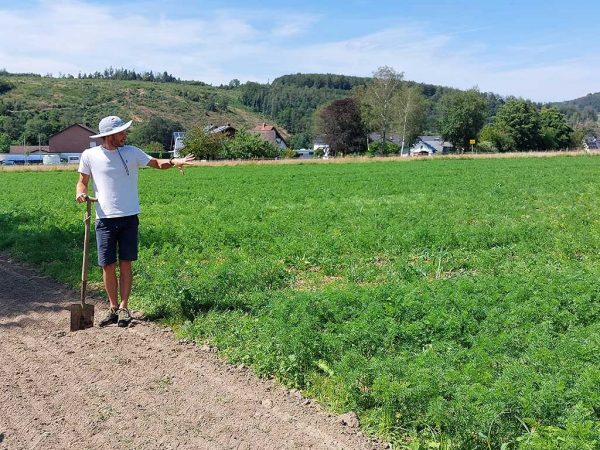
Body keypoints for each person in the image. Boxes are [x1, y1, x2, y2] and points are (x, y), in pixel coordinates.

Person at [75, 116, 195, 327]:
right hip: (104, 219)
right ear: (109, 135)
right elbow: (82, 182)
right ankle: (112, 308)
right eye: (121, 132)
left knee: (126, 263)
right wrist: (81, 194)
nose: (125, 135)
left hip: (129, 217)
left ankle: (124, 307)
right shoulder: (89, 155)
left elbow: (157, 163)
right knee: (107, 265)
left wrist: (174, 162)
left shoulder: (132, 152)